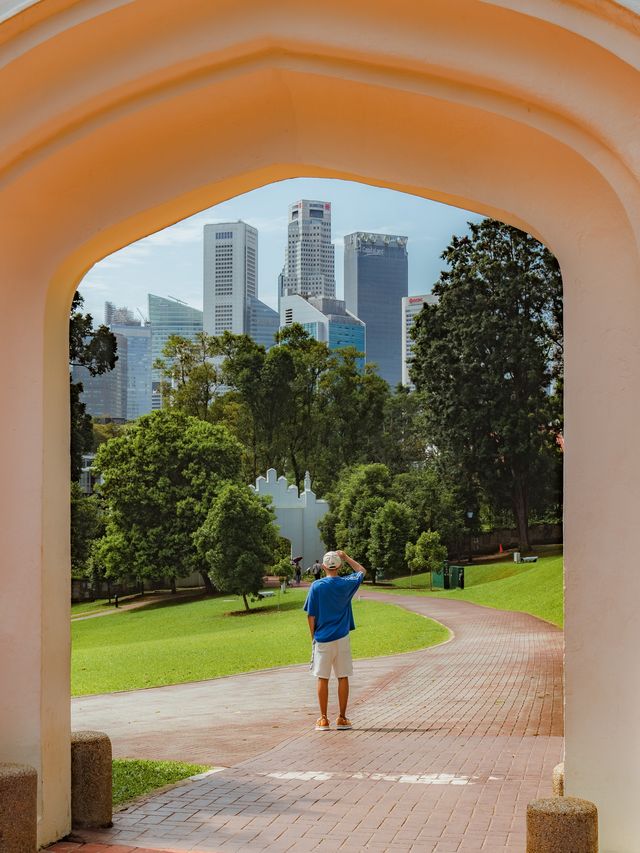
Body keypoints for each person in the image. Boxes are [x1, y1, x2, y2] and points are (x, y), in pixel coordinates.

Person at [303, 549, 366, 732]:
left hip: (322, 638)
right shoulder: (347, 583)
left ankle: (323, 719)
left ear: (323, 566)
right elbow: (361, 571)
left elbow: (311, 615)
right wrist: (346, 557)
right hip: (342, 637)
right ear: (339, 566)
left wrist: (313, 637)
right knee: (342, 676)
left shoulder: (317, 586)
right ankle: (342, 718)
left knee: (322, 677)